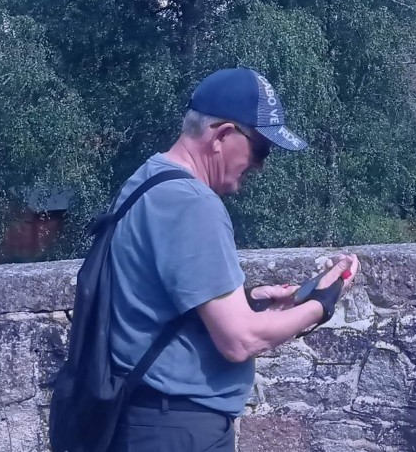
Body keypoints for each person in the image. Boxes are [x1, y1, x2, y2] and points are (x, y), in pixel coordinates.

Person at [107, 67, 361, 452]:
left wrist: (248, 300)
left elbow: (157, 297)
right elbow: (240, 341)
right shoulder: (193, 204)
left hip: (145, 416)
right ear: (223, 135)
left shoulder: (147, 180)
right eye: (261, 149)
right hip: (178, 428)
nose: (262, 165)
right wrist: (323, 302)